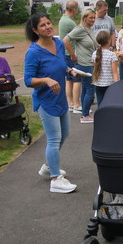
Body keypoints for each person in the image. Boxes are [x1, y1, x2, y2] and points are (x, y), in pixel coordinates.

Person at [24, 13, 77, 194]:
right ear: (35, 30)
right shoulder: (33, 52)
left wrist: (70, 71)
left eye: (48, 23)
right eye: (43, 25)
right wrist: (46, 80)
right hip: (46, 101)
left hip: (60, 98)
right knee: (54, 138)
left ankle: (48, 166)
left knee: (65, 134)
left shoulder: (58, 43)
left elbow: (60, 65)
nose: (47, 27)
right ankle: (55, 179)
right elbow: (28, 80)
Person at [63, 8, 98, 124]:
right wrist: (72, 54)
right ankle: (85, 115)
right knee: (90, 89)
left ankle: (85, 111)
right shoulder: (80, 29)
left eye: (94, 18)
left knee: (85, 89)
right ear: (85, 18)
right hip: (84, 64)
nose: (93, 20)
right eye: (91, 18)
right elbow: (66, 40)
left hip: (89, 63)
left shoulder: (88, 29)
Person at [59, 0, 81, 113]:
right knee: (77, 79)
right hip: (70, 54)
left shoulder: (63, 19)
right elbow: (79, 36)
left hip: (64, 54)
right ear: (74, 9)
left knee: (69, 79)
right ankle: (76, 105)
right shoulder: (70, 23)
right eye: (77, 9)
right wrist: (73, 54)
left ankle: (70, 103)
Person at [92, 30, 119, 106]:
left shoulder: (95, 54)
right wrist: (117, 84)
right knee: (110, 103)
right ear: (108, 41)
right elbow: (114, 72)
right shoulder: (112, 55)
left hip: (98, 83)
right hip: (109, 83)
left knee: (100, 103)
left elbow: (95, 67)